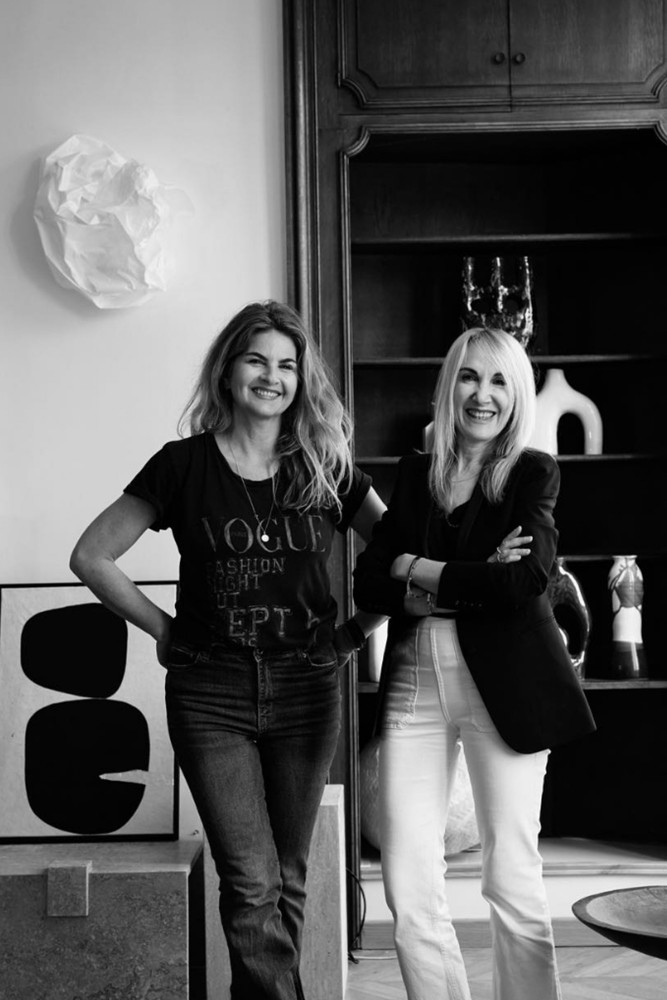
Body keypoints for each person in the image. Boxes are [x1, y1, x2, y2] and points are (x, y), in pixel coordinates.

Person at [70, 300, 386, 1000]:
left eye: (287, 365)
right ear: (228, 370)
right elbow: (91, 555)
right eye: (256, 360)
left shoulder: (324, 465)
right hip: (210, 691)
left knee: (287, 876)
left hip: (306, 687)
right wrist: (163, 628)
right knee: (250, 877)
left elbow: (397, 558)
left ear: (301, 381)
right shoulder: (182, 466)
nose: (271, 377)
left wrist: (355, 632)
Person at [352, 326, 596, 1000]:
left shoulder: (531, 472)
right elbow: (369, 583)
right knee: (407, 881)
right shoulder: (417, 473)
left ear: (516, 395)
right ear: (448, 384)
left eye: (497, 381)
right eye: (468, 376)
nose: (481, 394)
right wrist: (469, 574)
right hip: (415, 686)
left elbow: (524, 580)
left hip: (507, 687)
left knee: (510, 876)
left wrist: (417, 567)